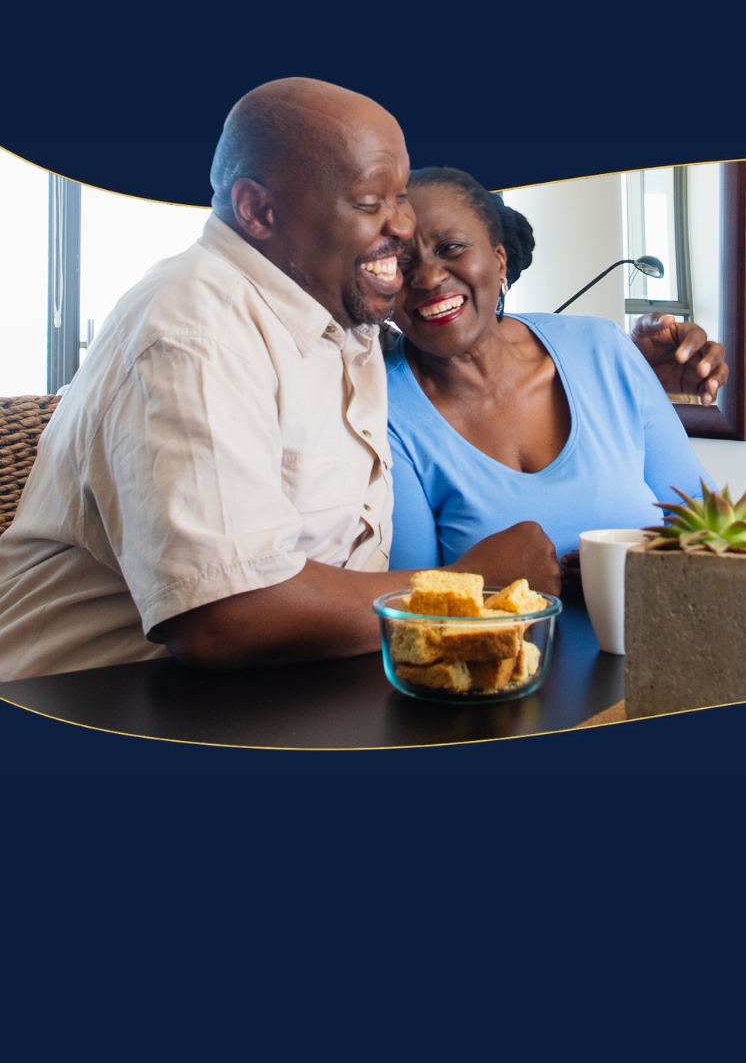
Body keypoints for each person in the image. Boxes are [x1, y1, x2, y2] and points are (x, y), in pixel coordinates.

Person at [0, 79, 561, 680]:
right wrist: (464, 588)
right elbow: (226, 618)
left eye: (401, 195)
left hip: (287, 696)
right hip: (97, 701)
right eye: (371, 202)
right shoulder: (194, 329)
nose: (403, 224)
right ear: (257, 211)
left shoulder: (336, 307)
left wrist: (613, 358)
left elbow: (454, 334)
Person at [383, 167, 711, 569]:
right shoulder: (382, 410)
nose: (429, 278)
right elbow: (411, 608)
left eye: (451, 247)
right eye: (399, 263)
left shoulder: (602, 350)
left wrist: (608, 570)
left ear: (499, 260)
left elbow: (704, 525)